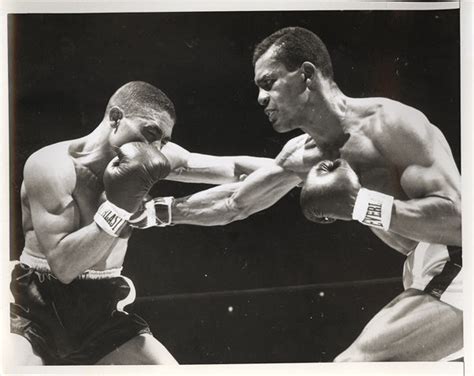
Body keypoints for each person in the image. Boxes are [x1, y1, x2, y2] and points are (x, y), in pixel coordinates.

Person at [137, 27, 462, 361]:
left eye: (269, 83)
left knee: (355, 365)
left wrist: (361, 204)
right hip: (425, 268)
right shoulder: (303, 155)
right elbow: (235, 202)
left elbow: (460, 222)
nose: (261, 98)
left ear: (307, 74)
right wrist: (154, 213)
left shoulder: (390, 124)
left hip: (460, 259)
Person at [10, 80, 274, 366]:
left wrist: (301, 166)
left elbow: (234, 169)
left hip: (102, 310)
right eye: (150, 133)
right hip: (36, 309)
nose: (156, 148)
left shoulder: (156, 155)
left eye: (164, 141)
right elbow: (64, 267)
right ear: (115, 118)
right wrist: (119, 208)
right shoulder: (52, 166)